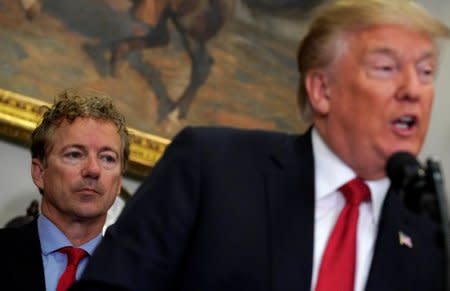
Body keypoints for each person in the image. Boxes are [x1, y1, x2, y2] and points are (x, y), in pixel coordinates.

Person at [72, 0, 450, 290]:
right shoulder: (211, 167)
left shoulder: (432, 233)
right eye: (386, 68)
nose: (413, 90)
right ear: (321, 90)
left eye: (426, 72)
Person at [0, 89, 129, 291]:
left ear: (119, 182)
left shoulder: (141, 278)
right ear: (40, 172)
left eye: (107, 158)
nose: (93, 170)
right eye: (75, 154)